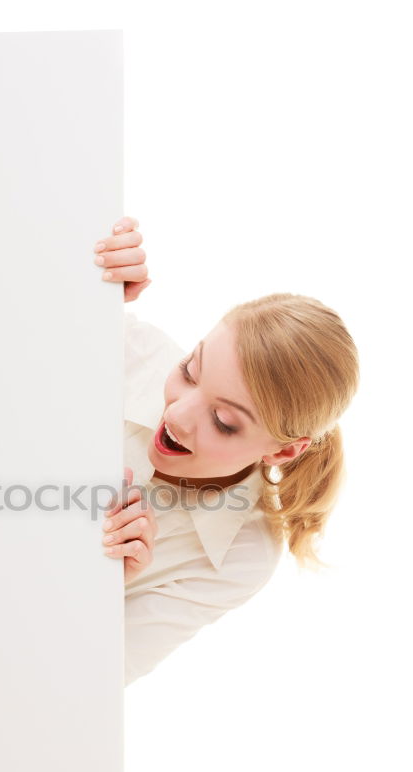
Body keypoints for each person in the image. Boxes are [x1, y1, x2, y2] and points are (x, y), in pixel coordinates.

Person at [93, 217, 360, 686]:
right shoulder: (131, 352)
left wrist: (99, 580)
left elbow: (91, 681)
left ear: (282, 452)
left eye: (224, 422)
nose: (176, 414)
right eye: (190, 371)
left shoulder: (242, 555)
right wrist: (75, 282)